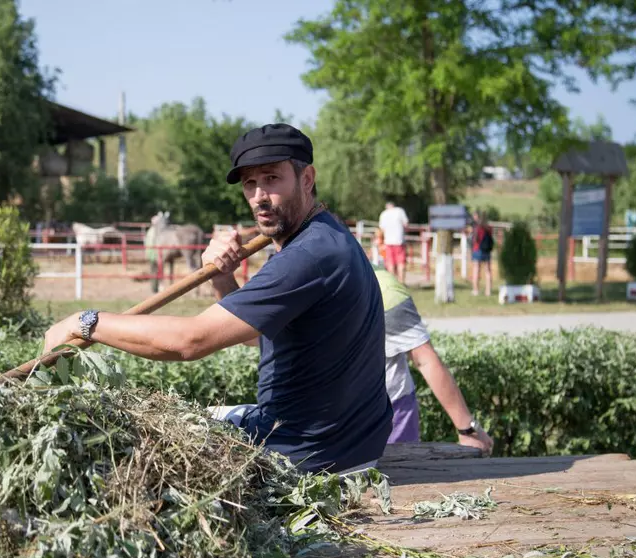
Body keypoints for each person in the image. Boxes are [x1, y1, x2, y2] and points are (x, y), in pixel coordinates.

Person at [40, 123, 394, 475]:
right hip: (350, 443)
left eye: (272, 179)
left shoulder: (308, 256)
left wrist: (86, 322)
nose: (259, 196)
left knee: (129, 444)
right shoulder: (326, 235)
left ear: (306, 179)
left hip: (304, 454)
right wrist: (224, 278)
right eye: (250, 184)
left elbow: (191, 342)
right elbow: (262, 334)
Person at [373, 266, 494, 454]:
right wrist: (468, 430)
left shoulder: (382, 290)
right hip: (384, 413)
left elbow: (425, 359)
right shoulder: (383, 288)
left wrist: (467, 428)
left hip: (380, 414)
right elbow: (425, 360)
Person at [378, 198, 410, 284]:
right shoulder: (400, 211)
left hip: (388, 242)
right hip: (399, 241)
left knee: (390, 263)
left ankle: (393, 283)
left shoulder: (383, 214)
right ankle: (402, 282)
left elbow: (382, 229)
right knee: (401, 262)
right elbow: (406, 224)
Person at [470, 210, 494, 297]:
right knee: (488, 270)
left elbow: (475, 239)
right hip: (487, 250)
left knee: (476, 269)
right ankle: (488, 291)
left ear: (478, 217)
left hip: (477, 249)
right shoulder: (489, 227)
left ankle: (476, 290)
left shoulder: (477, 227)